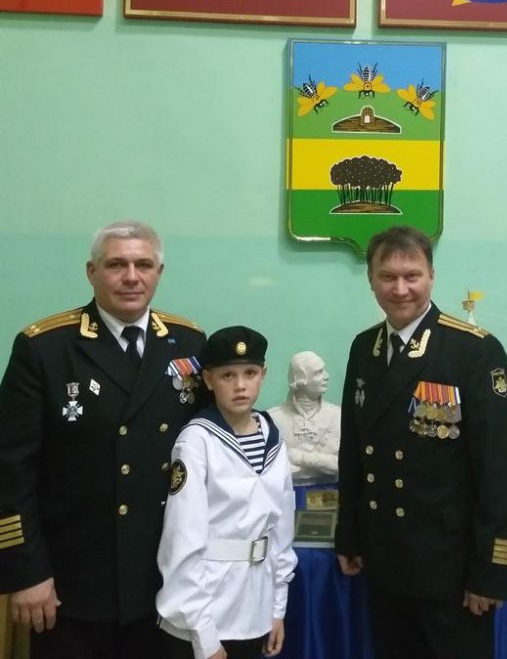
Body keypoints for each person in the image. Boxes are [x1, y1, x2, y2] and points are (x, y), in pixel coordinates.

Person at [0, 221, 206, 659]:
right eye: (116, 265)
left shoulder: (189, 343)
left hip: (164, 582)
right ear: (91, 272)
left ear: (159, 272)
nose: (131, 277)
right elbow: (10, 470)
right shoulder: (45, 349)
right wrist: (26, 573)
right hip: (72, 585)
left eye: (143, 265)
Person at [335, 225, 507, 659]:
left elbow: (500, 469)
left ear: (432, 277)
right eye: (388, 276)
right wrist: (349, 535)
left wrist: (491, 572)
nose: (400, 289)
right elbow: (354, 452)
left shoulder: (473, 351)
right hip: (384, 558)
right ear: (371, 279)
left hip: (450, 570)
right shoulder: (364, 348)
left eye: (412, 276)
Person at [156, 326, 297, 659]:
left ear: (263, 375)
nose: (240, 385)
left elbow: (281, 530)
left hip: (255, 608)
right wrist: (205, 637)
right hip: (204, 613)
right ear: (208, 380)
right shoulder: (196, 441)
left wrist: (277, 608)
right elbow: (182, 541)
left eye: (250, 373)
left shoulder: (272, 437)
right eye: (227, 375)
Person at [268, 351, 341, 485]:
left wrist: (302, 457)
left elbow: (343, 465)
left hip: (330, 494)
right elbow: (271, 470)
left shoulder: (337, 415)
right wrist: (324, 461)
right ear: (301, 379)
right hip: (286, 493)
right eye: (318, 373)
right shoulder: (273, 419)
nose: (327, 376)